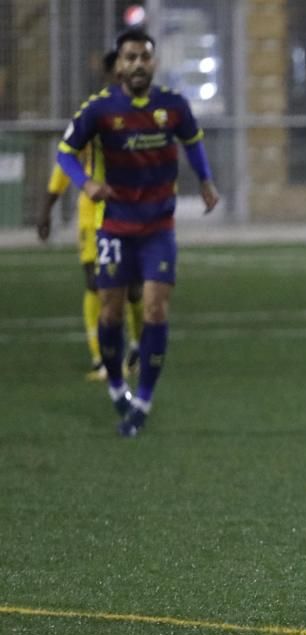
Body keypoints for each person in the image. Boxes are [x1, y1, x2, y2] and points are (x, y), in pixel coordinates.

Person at [56, 29, 219, 437]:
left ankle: (143, 399)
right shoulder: (100, 110)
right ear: (119, 66)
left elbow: (194, 142)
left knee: (155, 309)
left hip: (158, 227)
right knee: (110, 310)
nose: (138, 64)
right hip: (114, 226)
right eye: (130, 57)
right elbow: (65, 152)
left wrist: (206, 181)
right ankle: (115, 384)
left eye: (145, 57)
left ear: (154, 63)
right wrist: (86, 184)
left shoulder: (173, 106)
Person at [37, 50, 143, 381]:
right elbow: (66, 159)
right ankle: (100, 358)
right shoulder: (93, 115)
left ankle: (137, 346)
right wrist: (47, 207)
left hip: (132, 212)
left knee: (135, 289)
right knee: (96, 284)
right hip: (93, 215)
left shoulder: (145, 114)